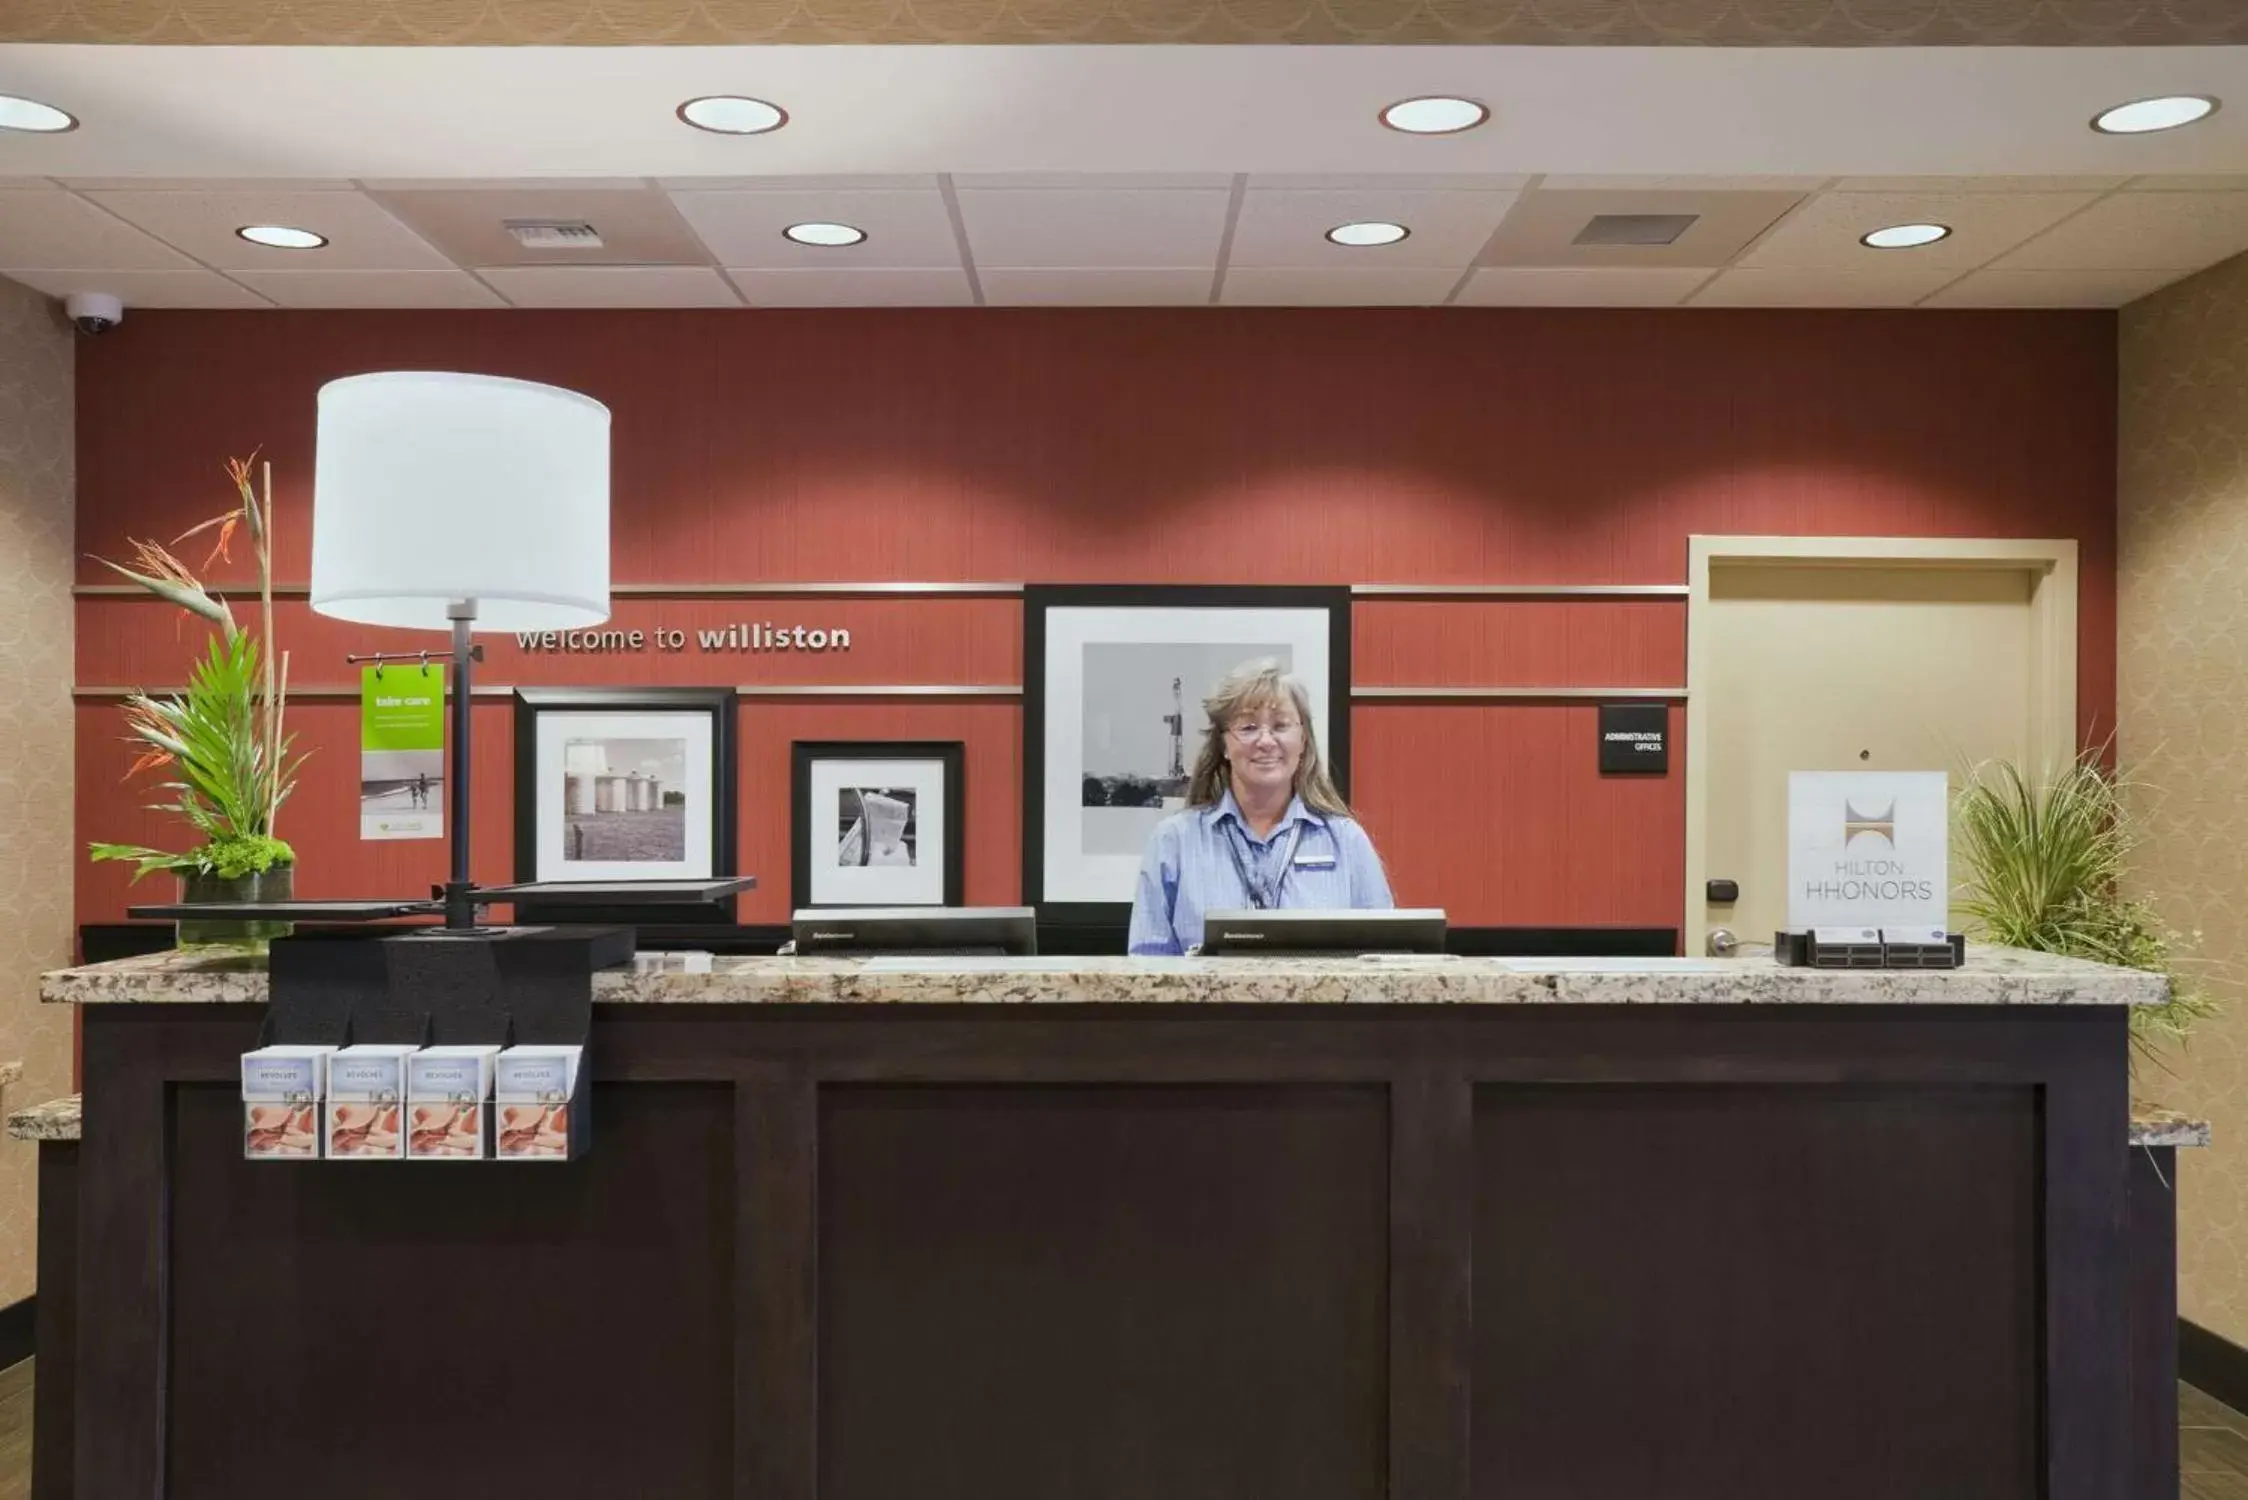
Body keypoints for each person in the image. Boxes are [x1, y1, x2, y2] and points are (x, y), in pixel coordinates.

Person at [1127, 657, 1392, 956]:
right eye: (1249, 727)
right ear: (1224, 744)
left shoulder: (1347, 841)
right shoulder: (1173, 842)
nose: (1266, 741)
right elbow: (1146, 973)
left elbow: (1385, 968)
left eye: (1280, 725)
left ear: (1303, 739)